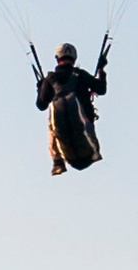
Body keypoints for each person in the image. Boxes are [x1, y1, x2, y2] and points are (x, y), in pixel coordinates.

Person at [32, 39, 108, 177]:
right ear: (74, 59)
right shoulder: (81, 75)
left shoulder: (50, 79)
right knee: (83, 119)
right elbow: (101, 89)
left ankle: (57, 162)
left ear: (57, 59)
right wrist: (101, 69)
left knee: (52, 124)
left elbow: (41, 105)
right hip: (85, 125)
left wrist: (40, 88)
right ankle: (94, 151)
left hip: (60, 129)